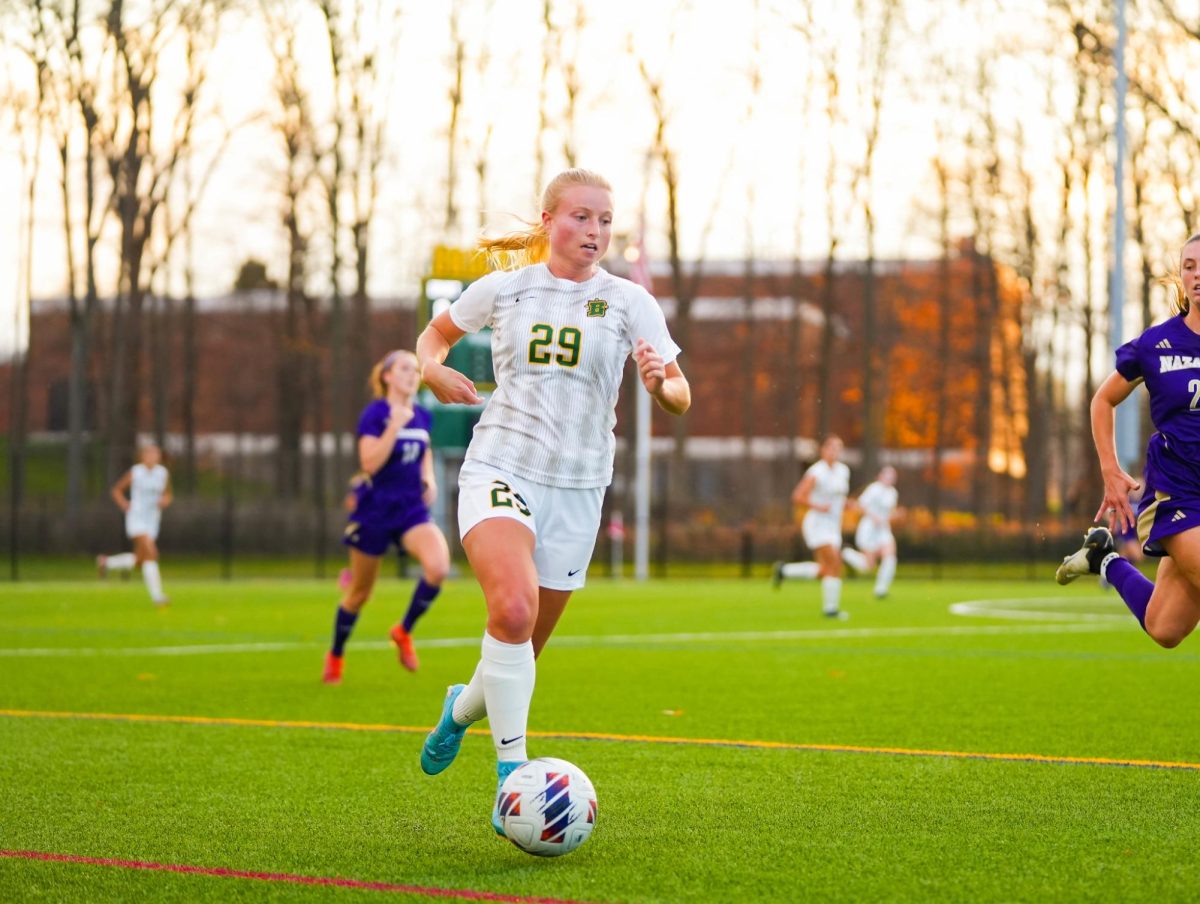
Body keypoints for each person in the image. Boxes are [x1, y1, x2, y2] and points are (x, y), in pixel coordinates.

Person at [414, 168, 690, 836]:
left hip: (579, 487)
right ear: (548, 221)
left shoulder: (629, 303)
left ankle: (461, 708)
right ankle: (515, 778)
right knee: (510, 609)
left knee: (520, 647)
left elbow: (681, 392)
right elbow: (434, 337)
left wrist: (660, 384)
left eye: (604, 221)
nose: (595, 232)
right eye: (582, 218)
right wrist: (431, 368)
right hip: (501, 465)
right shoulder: (506, 289)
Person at [1057, 233, 1200, 649]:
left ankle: (1104, 558)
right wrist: (1110, 469)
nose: (1197, 274)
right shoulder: (1158, 344)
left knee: (1166, 628)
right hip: (1178, 495)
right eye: (1189, 266)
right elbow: (1104, 400)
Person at [322, 350, 451, 684]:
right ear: (387, 376)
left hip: (411, 509)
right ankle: (336, 654)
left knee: (438, 567)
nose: (412, 374)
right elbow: (369, 464)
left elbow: (424, 450)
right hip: (376, 509)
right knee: (360, 593)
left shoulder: (422, 414)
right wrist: (393, 426)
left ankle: (403, 630)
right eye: (404, 368)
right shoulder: (375, 414)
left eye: (415, 369)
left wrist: (430, 477)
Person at [770, 435, 851, 619]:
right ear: (823, 450)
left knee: (825, 570)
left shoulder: (843, 471)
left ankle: (784, 571)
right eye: (831, 448)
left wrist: (848, 505)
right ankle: (831, 610)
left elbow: (839, 498)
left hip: (833, 526)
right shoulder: (817, 472)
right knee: (835, 563)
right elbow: (797, 496)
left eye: (838, 448)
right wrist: (818, 506)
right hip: (817, 524)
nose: (835, 452)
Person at [96, 443, 172, 606]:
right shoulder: (136, 472)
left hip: (152, 520)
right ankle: (157, 597)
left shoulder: (162, 473)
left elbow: (168, 494)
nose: (152, 457)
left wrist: (164, 501)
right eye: (149, 454)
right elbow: (116, 490)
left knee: (140, 560)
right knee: (152, 553)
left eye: (155, 454)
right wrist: (124, 504)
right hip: (136, 518)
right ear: (142, 457)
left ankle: (106, 563)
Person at [841, 465, 900, 599]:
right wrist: (874, 517)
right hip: (868, 529)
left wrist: (895, 515)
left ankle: (881, 589)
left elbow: (890, 512)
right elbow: (860, 505)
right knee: (868, 567)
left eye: (892, 477)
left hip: (883, 529)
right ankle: (846, 553)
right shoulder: (874, 489)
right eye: (887, 475)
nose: (890, 479)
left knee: (890, 556)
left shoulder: (893, 493)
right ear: (880, 476)